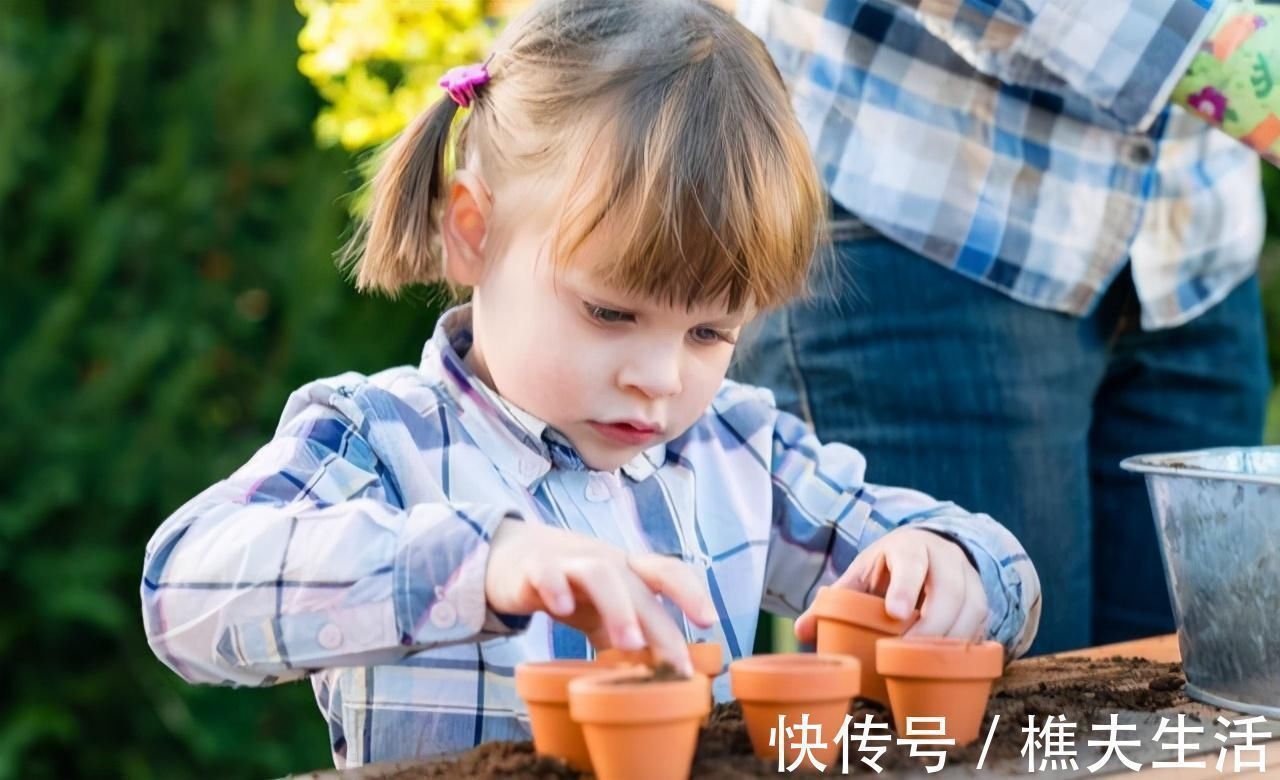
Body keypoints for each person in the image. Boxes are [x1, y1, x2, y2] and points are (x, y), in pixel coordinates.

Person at [140, 0, 1040, 768]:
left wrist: (955, 568)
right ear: (472, 232)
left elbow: (983, 565)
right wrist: (487, 561)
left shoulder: (737, 449)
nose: (657, 380)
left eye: (710, 331)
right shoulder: (379, 438)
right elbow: (182, 591)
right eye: (610, 313)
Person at [732, 0, 1271, 656]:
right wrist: (1217, 51)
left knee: (1186, 709)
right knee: (985, 733)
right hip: (929, 213)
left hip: (1192, 243)